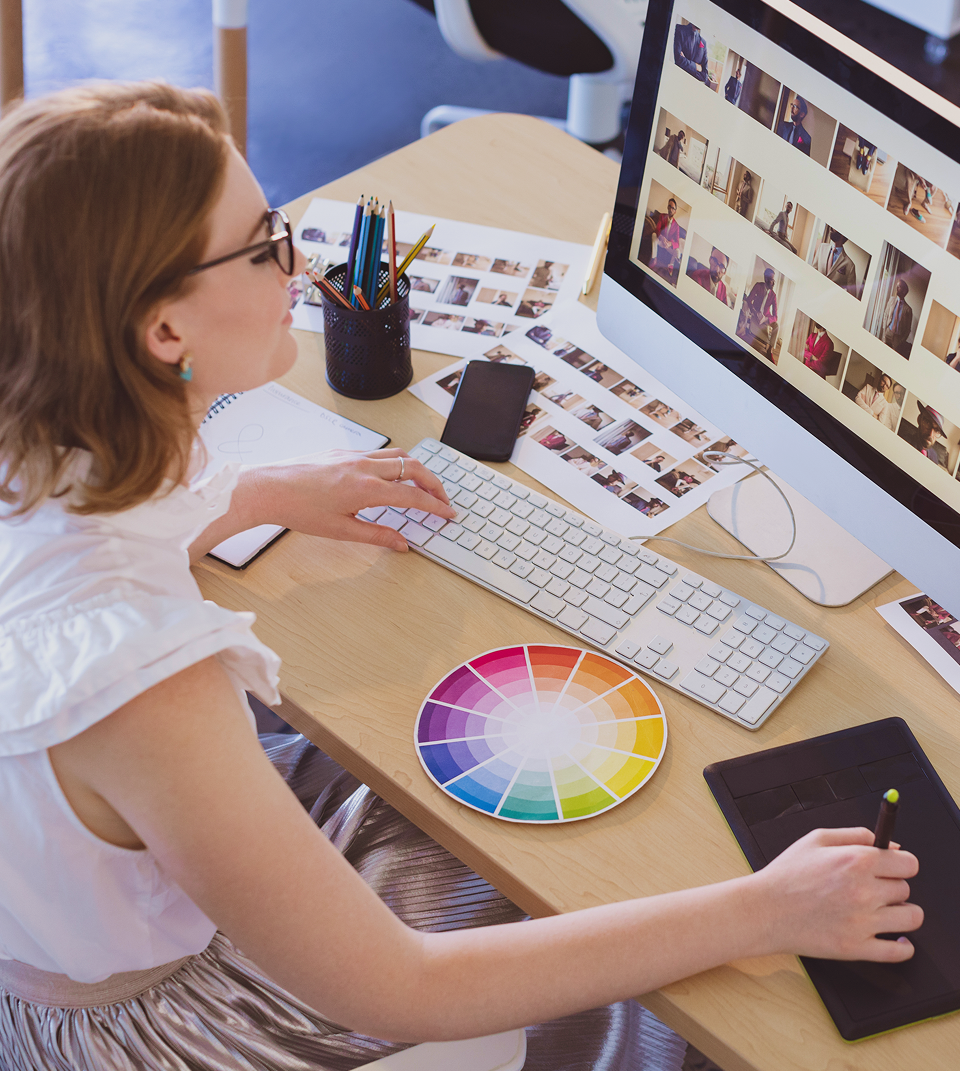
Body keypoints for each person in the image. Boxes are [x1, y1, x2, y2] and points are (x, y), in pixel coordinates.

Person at [0, 82, 922, 1071]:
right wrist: (765, 911)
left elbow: (81, 560)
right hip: (180, 1028)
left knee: (466, 782)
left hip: (82, 939)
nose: (298, 264)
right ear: (164, 333)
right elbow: (405, 986)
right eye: (266, 241)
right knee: (629, 927)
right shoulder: (147, 692)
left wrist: (263, 493)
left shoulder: (44, 443)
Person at [739, 267, 779, 353]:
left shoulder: (773, 295)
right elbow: (749, 299)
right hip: (755, 313)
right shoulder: (758, 286)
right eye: (771, 280)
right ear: (766, 278)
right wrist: (754, 311)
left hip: (766, 318)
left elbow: (776, 316)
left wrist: (766, 319)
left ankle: (770, 349)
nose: (772, 283)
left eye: (773, 280)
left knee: (776, 326)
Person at [646, 197, 682, 281]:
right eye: (669, 206)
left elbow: (677, 243)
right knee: (654, 235)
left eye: (673, 208)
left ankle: (670, 265)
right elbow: (657, 229)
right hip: (661, 241)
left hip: (668, 245)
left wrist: (670, 244)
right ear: (667, 207)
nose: (670, 209)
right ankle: (654, 258)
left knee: (678, 251)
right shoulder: (662, 216)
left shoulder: (676, 226)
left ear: (675, 211)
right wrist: (662, 238)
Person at [813, 229, 858, 296]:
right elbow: (813, 271)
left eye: (836, 229)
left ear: (843, 234)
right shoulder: (821, 247)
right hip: (814, 293)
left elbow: (851, 295)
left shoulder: (850, 265)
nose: (832, 229)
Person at [673, 21, 712, 85]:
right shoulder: (679, 29)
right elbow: (678, 60)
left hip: (692, 86)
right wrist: (696, 67)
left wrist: (685, 63)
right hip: (677, 80)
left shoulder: (703, 42)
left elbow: (704, 76)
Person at [883, 278, 913, 357]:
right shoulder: (891, 300)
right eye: (897, 286)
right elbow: (885, 315)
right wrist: (884, 329)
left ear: (904, 291)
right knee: (882, 352)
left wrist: (901, 341)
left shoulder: (908, 310)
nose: (897, 288)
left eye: (899, 286)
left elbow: (908, 329)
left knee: (891, 356)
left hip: (897, 338)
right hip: (888, 332)